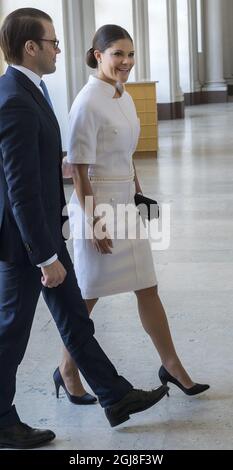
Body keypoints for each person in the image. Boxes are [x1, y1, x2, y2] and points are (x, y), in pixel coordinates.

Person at [0, 9, 169, 449]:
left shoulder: (30, 90)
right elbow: (19, 189)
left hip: (44, 234)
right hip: (26, 245)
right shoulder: (15, 97)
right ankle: (1, 419)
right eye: (52, 42)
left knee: (76, 320)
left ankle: (114, 396)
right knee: (11, 333)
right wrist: (45, 256)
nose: (59, 49)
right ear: (30, 47)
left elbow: (31, 166)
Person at [61, 24, 210, 402]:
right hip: (97, 205)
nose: (126, 62)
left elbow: (125, 152)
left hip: (125, 199)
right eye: (118, 55)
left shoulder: (122, 95)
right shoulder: (87, 101)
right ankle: (66, 370)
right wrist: (94, 221)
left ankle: (172, 366)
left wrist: (138, 190)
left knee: (148, 286)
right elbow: (78, 168)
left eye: (130, 54)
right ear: (98, 55)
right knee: (88, 296)